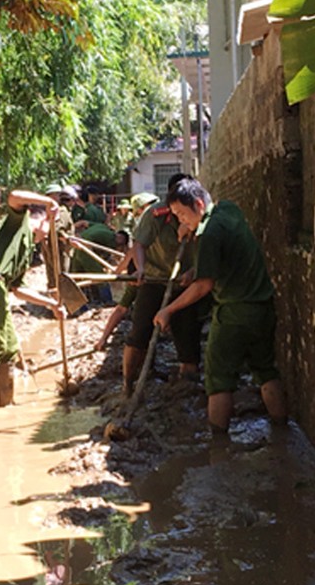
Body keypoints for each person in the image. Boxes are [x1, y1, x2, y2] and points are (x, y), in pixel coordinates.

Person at [153, 177, 287, 433]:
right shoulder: (228, 210)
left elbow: (204, 286)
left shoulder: (209, 233)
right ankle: (282, 431)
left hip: (234, 312)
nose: (181, 221)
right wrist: (195, 268)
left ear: (199, 204)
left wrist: (168, 310)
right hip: (262, 305)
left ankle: (218, 446)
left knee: (218, 379)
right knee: (265, 370)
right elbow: (224, 258)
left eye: (182, 214)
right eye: (177, 216)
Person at [0, 190, 66, 413]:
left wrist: (51, 304)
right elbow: (14, 196)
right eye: (50, 226)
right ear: (43, 220)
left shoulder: (27, 249)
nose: (50, 233)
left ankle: (6, 403)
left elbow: (17, 289)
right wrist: (48, 201)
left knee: (10, 348)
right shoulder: (17, 224)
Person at [121, 177, 210, 398]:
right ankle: (128, 386)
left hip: (185, 285)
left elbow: (208, 252)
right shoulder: (156, 214)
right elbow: (139, 244)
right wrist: (140, 269)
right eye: (175, 210)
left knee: (188, 336)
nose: (179, 214)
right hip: (155, 280)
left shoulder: (204, 216)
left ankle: (187, 389)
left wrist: (194, 271)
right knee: (139, 333)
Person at [93, 193, 159, 351]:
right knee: (125, 306)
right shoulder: (142, 224)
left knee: (129, 308)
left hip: (150, 274)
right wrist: (121, 271)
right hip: (140, 274)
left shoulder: (151, 222)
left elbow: (133, 251)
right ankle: (103, 339)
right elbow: (132, 252)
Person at [41, 183, 75, 290]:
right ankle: (58, 302)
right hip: (57, 248)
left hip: (55, 246)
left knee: (56, 276)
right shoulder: (60, 211)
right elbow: (57, 229)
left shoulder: (54, 211)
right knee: (59, 276)